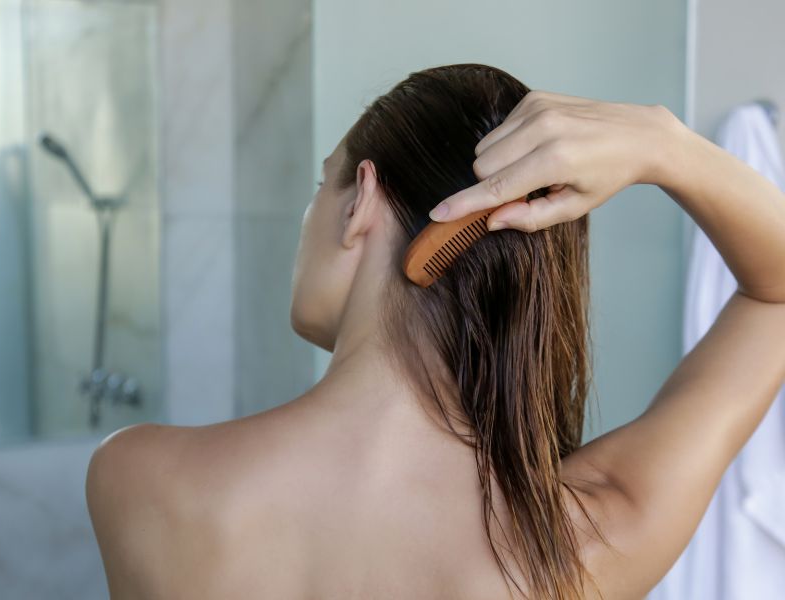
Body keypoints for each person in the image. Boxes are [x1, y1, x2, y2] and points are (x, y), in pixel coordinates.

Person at [85, 64, 785, 599]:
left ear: (361, 198)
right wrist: (667, 148)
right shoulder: (584, 540)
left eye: (319, 185)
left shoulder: (141, 482)